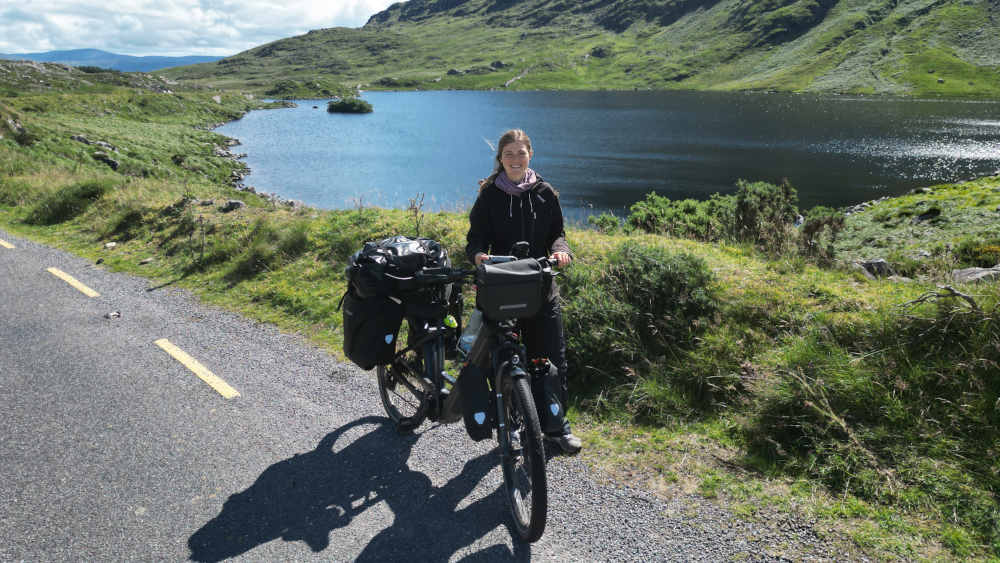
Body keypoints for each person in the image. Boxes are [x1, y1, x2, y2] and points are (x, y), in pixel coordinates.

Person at [465, 129, 582, 454]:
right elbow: (475, 239)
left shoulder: (545, 192)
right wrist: (478, 256)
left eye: (521, 153)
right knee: (502, 357)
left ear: (530, 154)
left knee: (551, 359)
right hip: (501, 286)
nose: (515, 160)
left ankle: (557, 426)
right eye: (509, 154)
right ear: (500, 159)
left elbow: (557, 234)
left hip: (540, 286)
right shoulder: (489, 194)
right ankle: (512, 425)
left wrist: (561, 251)